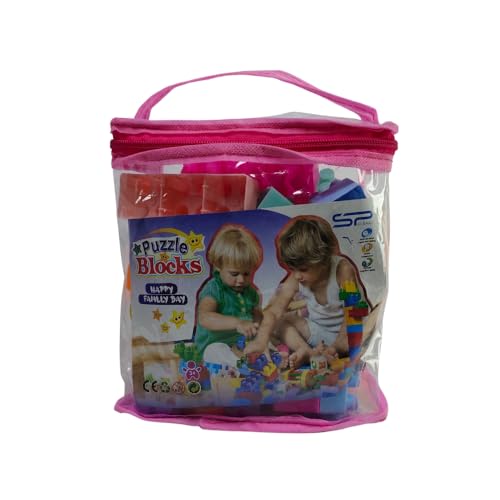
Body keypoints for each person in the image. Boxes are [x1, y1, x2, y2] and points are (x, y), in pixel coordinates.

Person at [245, 216, 365, 369]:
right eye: (293, 269)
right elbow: (274, 311)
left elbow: (353, 315)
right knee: (278, 321)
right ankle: (307, 352)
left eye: (303, 269)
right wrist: (261, 340)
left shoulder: (342, 270)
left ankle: (327, 353)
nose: (296, 275)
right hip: (318, 335)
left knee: (366, 319)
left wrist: (337, 347)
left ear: (323, 261)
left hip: (348, 334)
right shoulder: (297, 278)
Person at [194, 225, 263, 366]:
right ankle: (241, 365)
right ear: (218, 266)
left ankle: (257, 361)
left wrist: (257, 328)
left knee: (265, 341)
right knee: (215, 350)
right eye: (234, 274)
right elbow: (205, 318)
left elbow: (257, 317)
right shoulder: (214, 288)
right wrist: (238, 323)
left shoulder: (250, 292)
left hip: (240, 346)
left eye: (246, 273)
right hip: (213, 346)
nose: (241, 280)